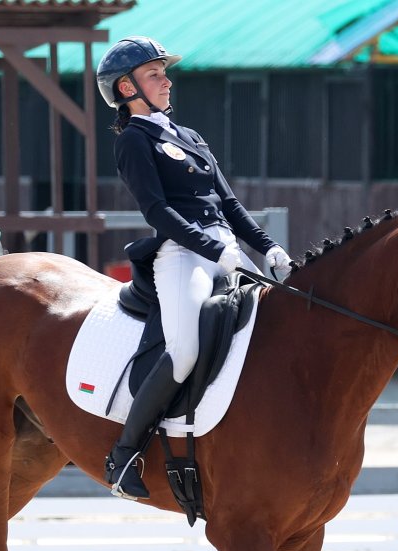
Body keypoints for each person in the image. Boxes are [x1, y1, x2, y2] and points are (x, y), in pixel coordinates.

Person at [95, 36, 293, 501]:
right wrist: (208, 246)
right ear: (127, 88)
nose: (167, 81)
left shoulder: (191, 138)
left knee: (274, 327)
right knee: (184, 351)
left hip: (225, 247)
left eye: (164, 73)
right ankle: (123, 457)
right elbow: (157, 211)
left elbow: (230, 203)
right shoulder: (134, 141)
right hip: (181, 254)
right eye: (154, 75)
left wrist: (268, 248)